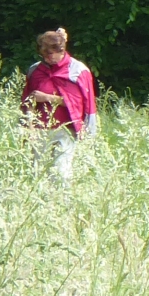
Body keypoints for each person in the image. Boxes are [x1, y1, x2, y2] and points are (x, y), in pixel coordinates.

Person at [21, 27, 98, 182]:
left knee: (61, 172)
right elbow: (27, 101)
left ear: (61, 50)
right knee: (38, 173)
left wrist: (47, 98)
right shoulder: (35, 70)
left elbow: (81, 104)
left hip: (66, 129)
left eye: (51, 54)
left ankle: (64, 203)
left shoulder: (78, 71)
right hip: (40, 129)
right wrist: (28, 128)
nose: (48, 58)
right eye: (44, 55)